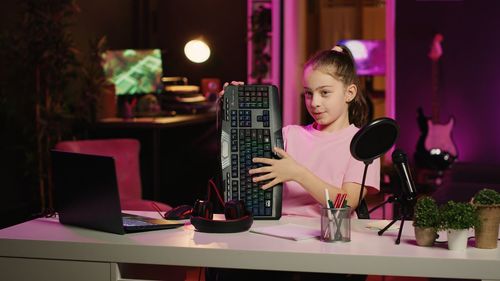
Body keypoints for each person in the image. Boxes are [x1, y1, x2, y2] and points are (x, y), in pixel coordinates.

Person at [208, 45, 380, 281]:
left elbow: (347, 202)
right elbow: (245, 158)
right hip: (275, 239)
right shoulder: (289, 135)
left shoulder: (362, 145)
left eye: (325, 93)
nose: (315, 103)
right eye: (309, 93)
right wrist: (236, 104)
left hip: (328, 244)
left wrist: (297, 173)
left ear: (349, 93)